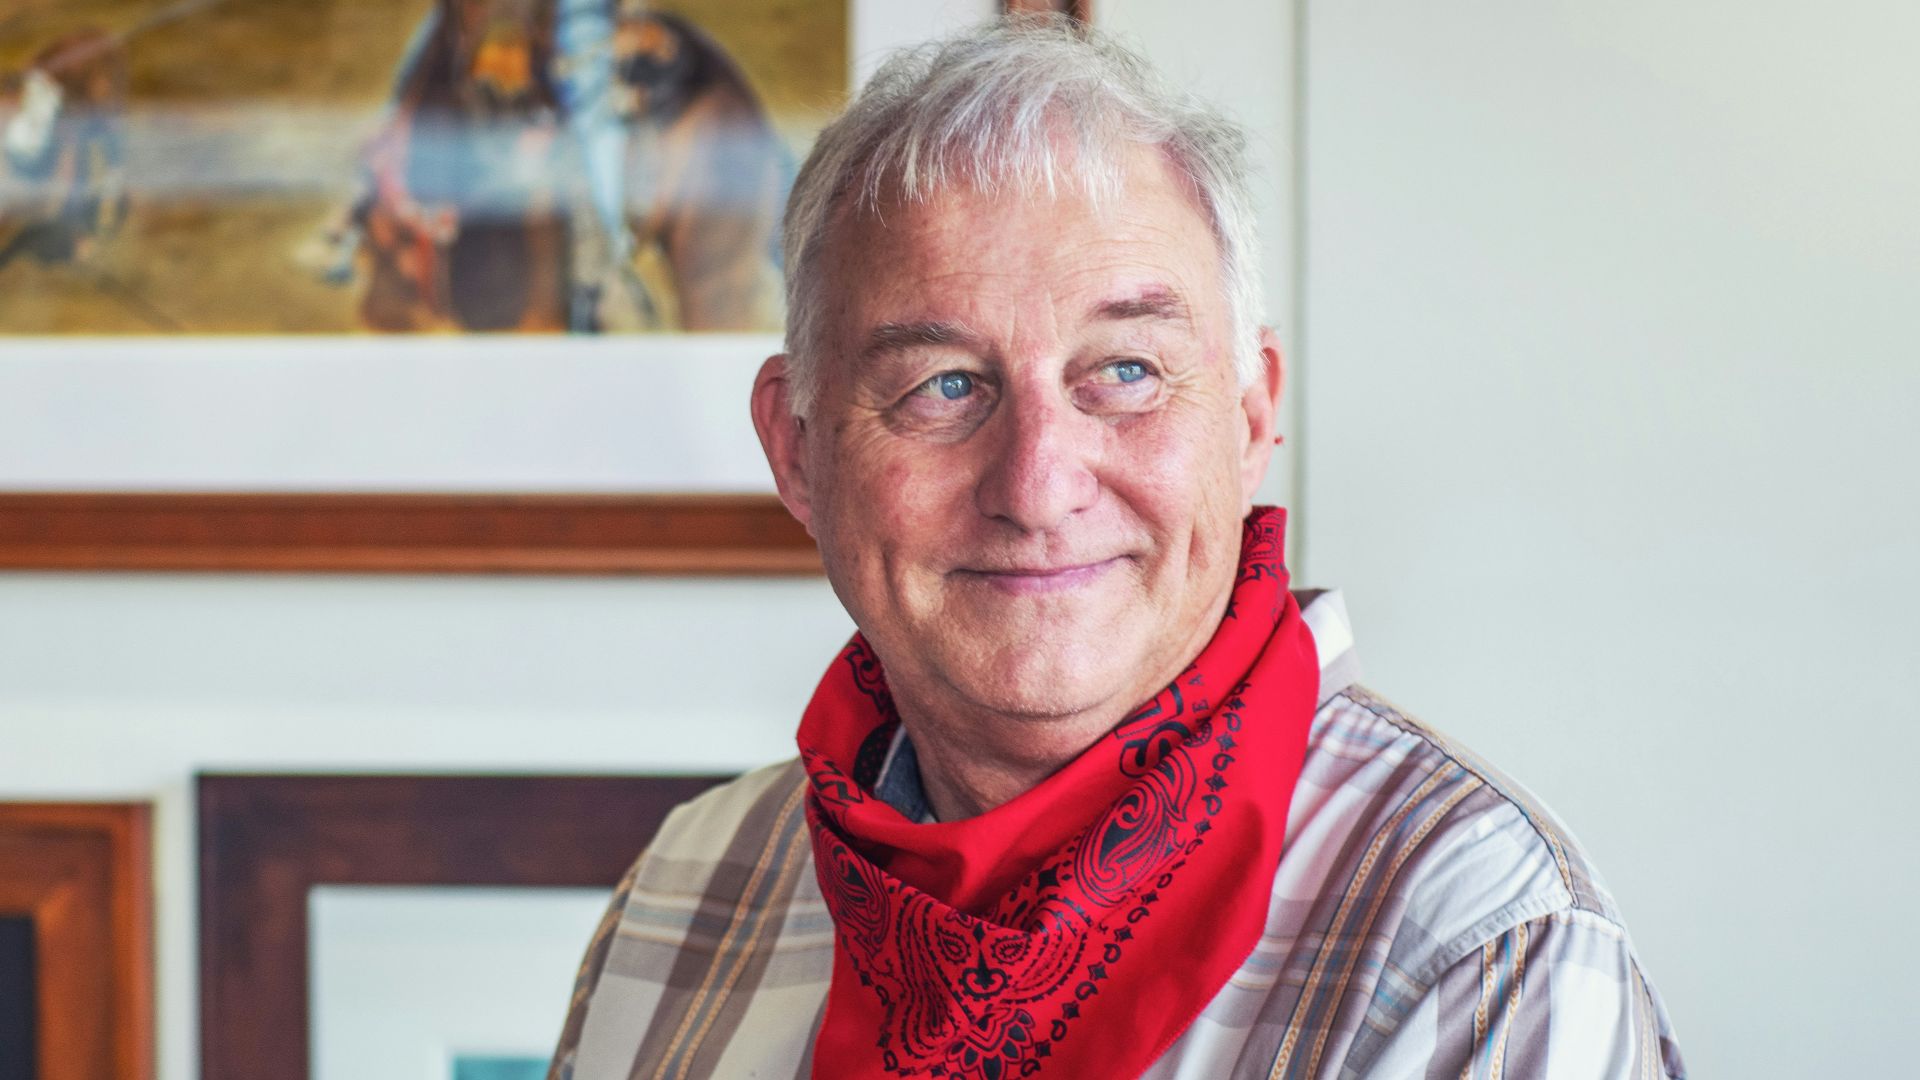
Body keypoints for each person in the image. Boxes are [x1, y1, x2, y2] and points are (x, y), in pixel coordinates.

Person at [546, 17, 1686, 1080]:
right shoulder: (691, 889)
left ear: (1249, 418)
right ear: (796, 449)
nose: (1039, 487)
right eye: (944, 386)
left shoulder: (1475, 941)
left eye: (1127, 373)